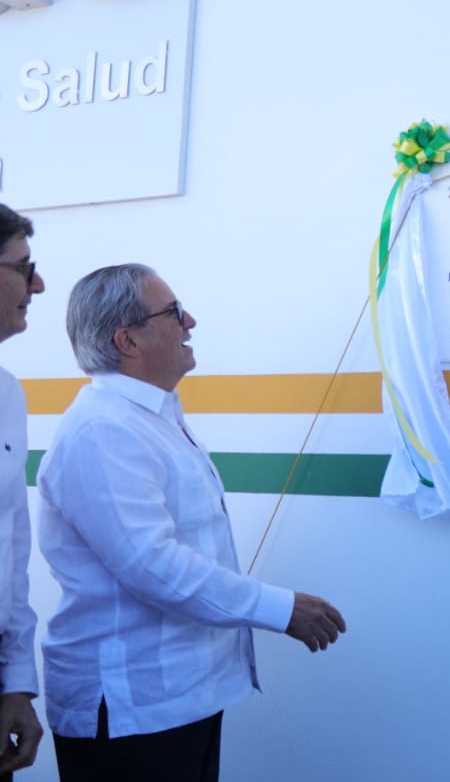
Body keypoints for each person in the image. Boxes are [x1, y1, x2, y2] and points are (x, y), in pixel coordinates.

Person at [37, 264, 347, 782]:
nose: (191, 322)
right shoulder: (103, 430)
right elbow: (155, 568)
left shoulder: (148, 417)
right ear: (128, 340)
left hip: (177, 698)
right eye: (174, 312)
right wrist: (280, 608)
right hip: (134, 709)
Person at [0, 205, 44, 780]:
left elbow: (11, 548)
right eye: (24, 266)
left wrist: (15, 681)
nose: (38, 284)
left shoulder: (9, 395)